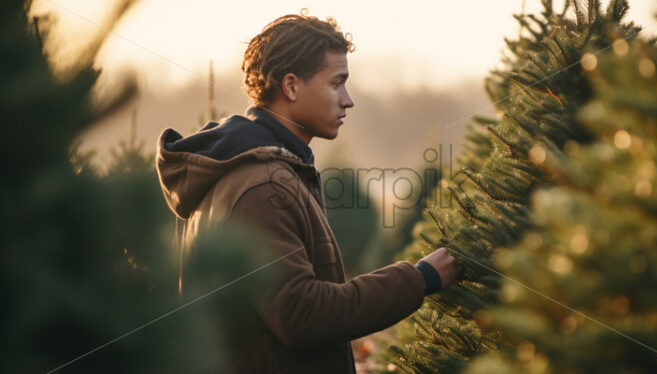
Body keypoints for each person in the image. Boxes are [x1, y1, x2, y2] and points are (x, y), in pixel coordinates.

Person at [156, 12, 460, 373]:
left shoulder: (253, 169)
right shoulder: (261, 185)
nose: (348, 100)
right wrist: (419, 278)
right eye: (336, 83)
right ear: (291, 86)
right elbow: (303, 315)